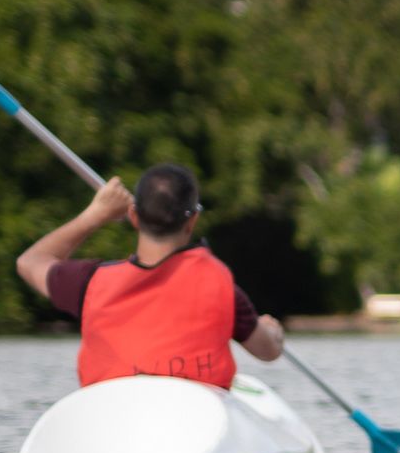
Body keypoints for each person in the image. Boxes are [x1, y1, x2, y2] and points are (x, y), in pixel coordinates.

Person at [14, 163, 285, 387]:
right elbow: (267, 351)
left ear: (134, 217)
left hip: (113, 421)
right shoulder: (218, 283)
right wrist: (272, 332)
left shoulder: (89, 282)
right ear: (192, 220)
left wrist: (95, 215)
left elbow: (30, 262)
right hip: (193, 423)